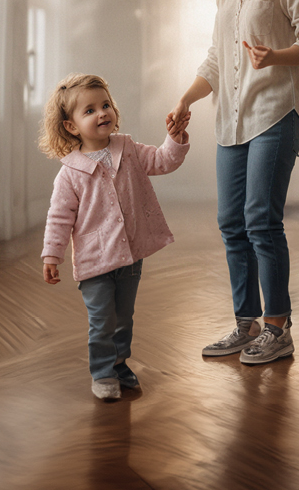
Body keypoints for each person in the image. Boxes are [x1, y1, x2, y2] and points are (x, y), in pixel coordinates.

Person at [167, 0, 299, 365]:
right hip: (230, 119)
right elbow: (217, 58)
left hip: (277, 111)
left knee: (261, 220)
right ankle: (246, 323)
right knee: (231, 223)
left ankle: (278, 329)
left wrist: (276, 55)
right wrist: (186, 100)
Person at [40, 72, 190, 400]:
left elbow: (163, 161)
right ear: (71, 126)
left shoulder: (129, 149)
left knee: (124, 319)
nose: (102, 113)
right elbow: (59, 218)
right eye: (89, 110)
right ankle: (103, 371)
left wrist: (175, 139)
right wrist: (52, 255)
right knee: (102, 321)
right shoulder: (70, 173)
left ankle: (120, 363)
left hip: (130, 256)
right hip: (95, 261)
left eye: (105, 104)